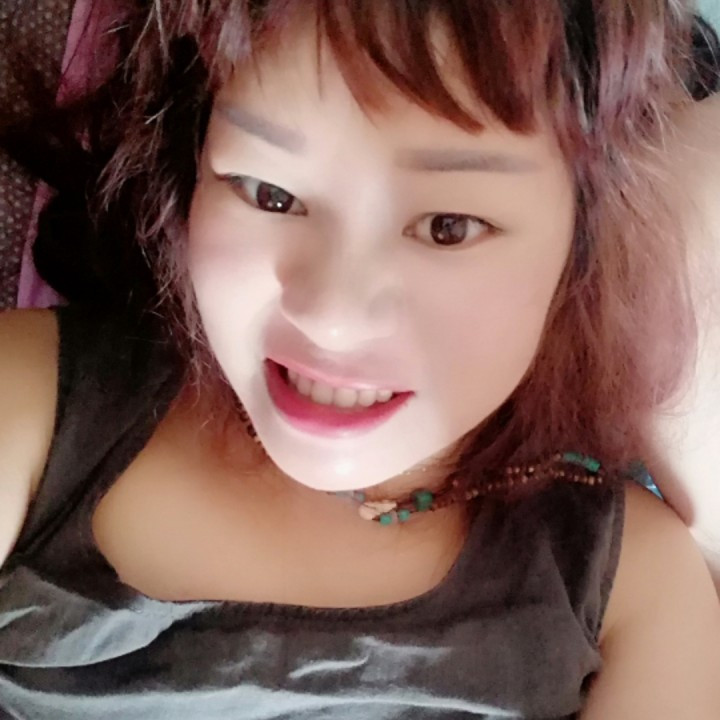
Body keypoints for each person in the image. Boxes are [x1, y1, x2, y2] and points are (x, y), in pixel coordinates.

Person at [0, 1, 719, 718]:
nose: (331, 317)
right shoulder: (32, 401)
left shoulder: (631, 584)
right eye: (270, 194)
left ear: (583, 244)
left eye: (448, 227)